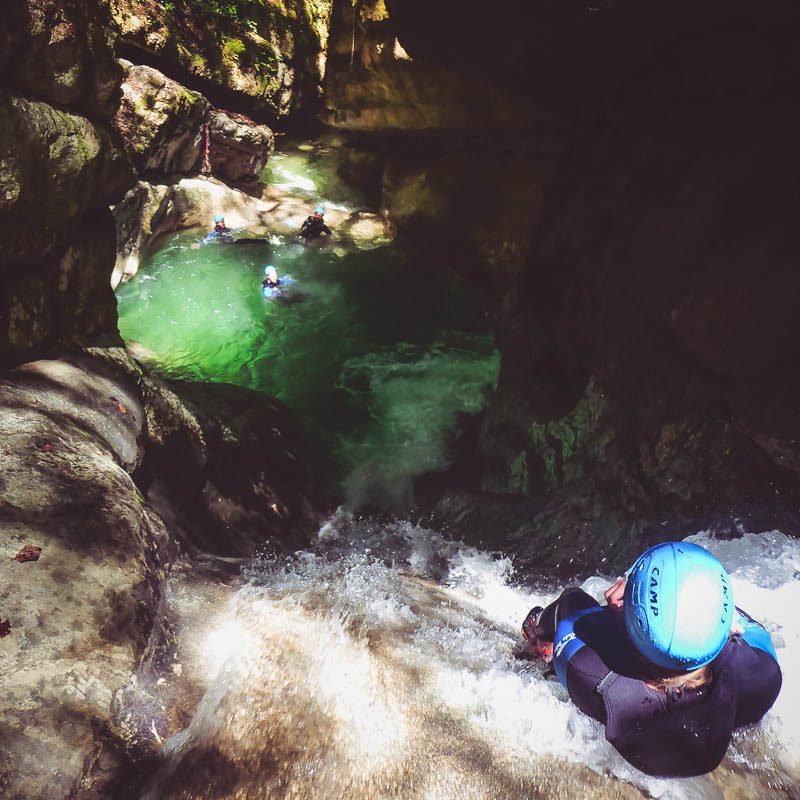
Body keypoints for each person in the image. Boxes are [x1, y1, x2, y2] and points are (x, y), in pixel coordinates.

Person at [521, 541, 782, 778]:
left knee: (572, 599)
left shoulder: (589, 672)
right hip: (708, 736)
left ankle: (537, 632)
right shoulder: (764, 673)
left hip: (640, 737)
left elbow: (574, 624)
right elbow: (738, 620)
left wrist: (622, 614)